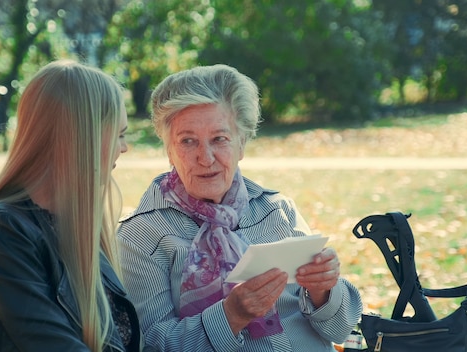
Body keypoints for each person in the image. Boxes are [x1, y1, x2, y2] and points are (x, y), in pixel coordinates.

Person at [117, 64, 363, 351]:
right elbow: (149, 345)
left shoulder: (276, 211)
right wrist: (230, 315)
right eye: (187, 141)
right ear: (169, 150)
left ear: (242, 143)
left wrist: (324, 289)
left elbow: (341, 329)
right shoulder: (141, 237)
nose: (205, 158)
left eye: (219, 139)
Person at [0, 60, 143, 351]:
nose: (124, 148)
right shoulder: (0, 232)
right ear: (81, 137)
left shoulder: (74, 225)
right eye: (119, 134)